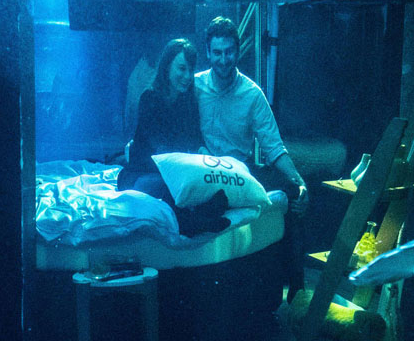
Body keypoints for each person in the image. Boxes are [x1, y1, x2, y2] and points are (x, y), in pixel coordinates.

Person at [194, 17, 308, 302]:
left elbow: (274, 147)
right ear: (208, 52)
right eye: (217, 52)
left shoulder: (251, 93)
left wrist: (300, 182)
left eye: (229, 51)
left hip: (240, 171)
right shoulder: (194, 88)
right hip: (201, 170)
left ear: (237, 51)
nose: (223, 59)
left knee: (292, 193)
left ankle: (297, 292)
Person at [119, 38, 228, 236]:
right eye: (181, 68)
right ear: (167, 66)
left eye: (190, 69)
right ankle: (191, 223)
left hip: (173, 171)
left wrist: (212, 161)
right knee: (171, 187)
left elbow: (195, 141)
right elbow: (161, 150)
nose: (187, 76)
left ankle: (198, 215)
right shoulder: (149, 98)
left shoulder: (188, 101)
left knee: (213, 189)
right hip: (142, 174)